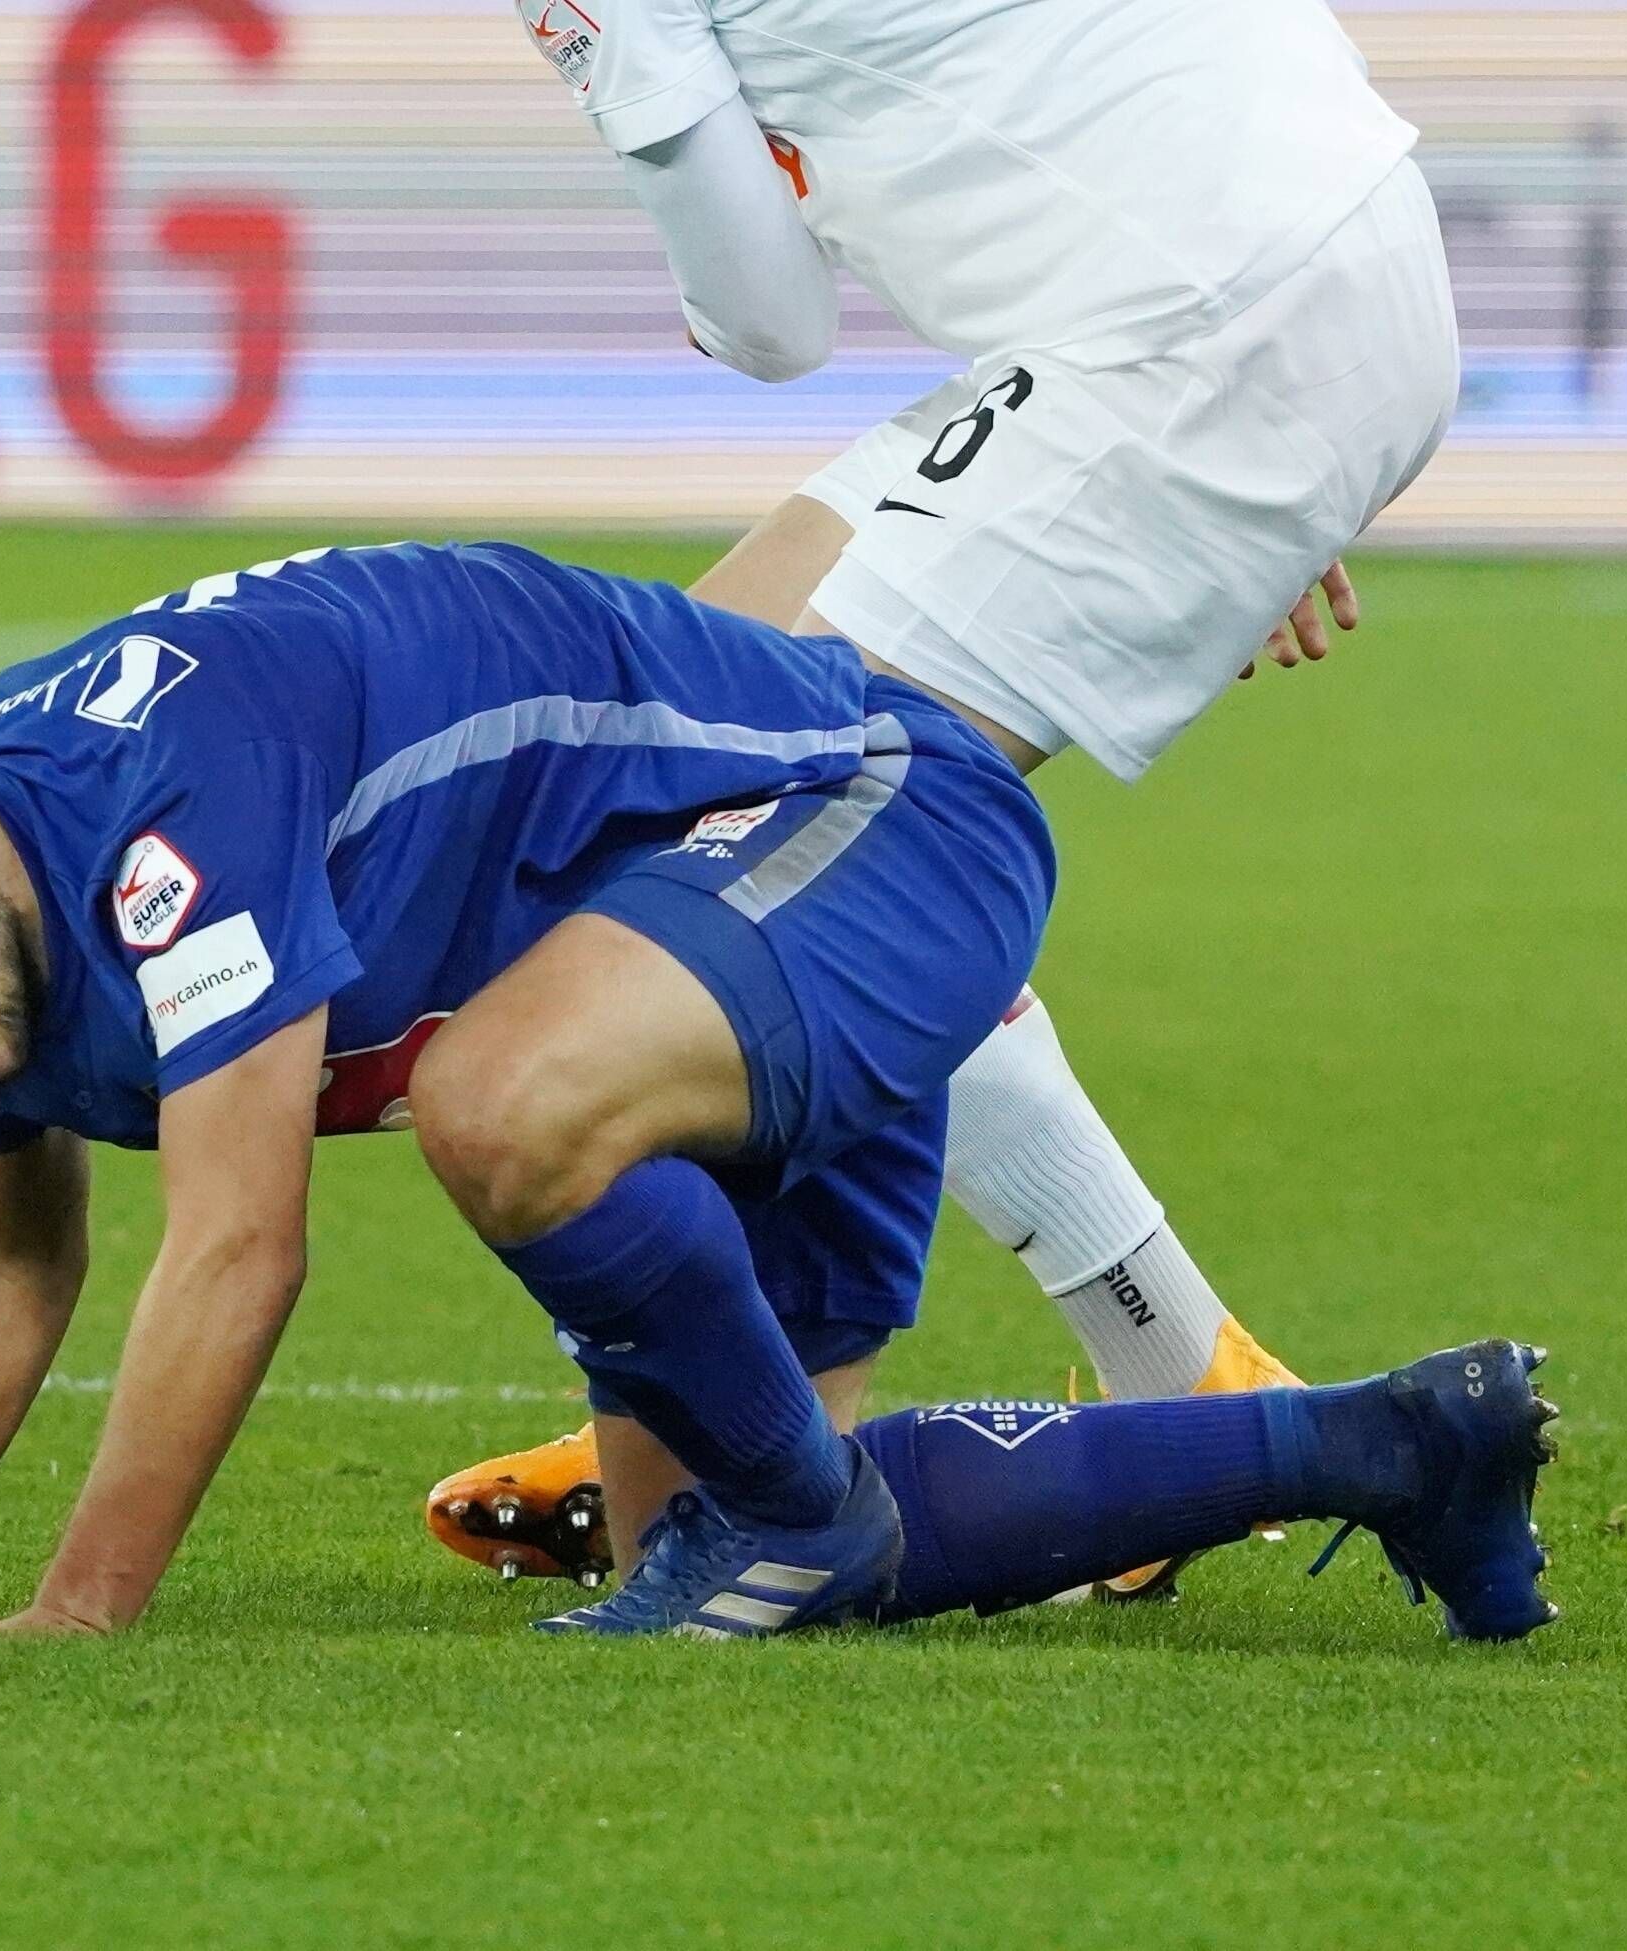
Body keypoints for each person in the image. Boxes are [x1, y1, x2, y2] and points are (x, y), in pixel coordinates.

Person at [0, 541, 1551, 1640]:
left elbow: (237, 1244)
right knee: (725, 1564)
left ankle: (829, 1501)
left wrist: (81, 1608)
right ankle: (1388, 1450)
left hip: (864, 827)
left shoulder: (151, 814)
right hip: (695, 951)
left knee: (493, 1104)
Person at [432, 0, 1465, 1584]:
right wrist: (1283, 386)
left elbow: (769, 320)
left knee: (741, 821)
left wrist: (1237, 388)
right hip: (1295, 254)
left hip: (1196, 327)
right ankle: (1144, 1363)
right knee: (698, 727)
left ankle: (760, 1428)